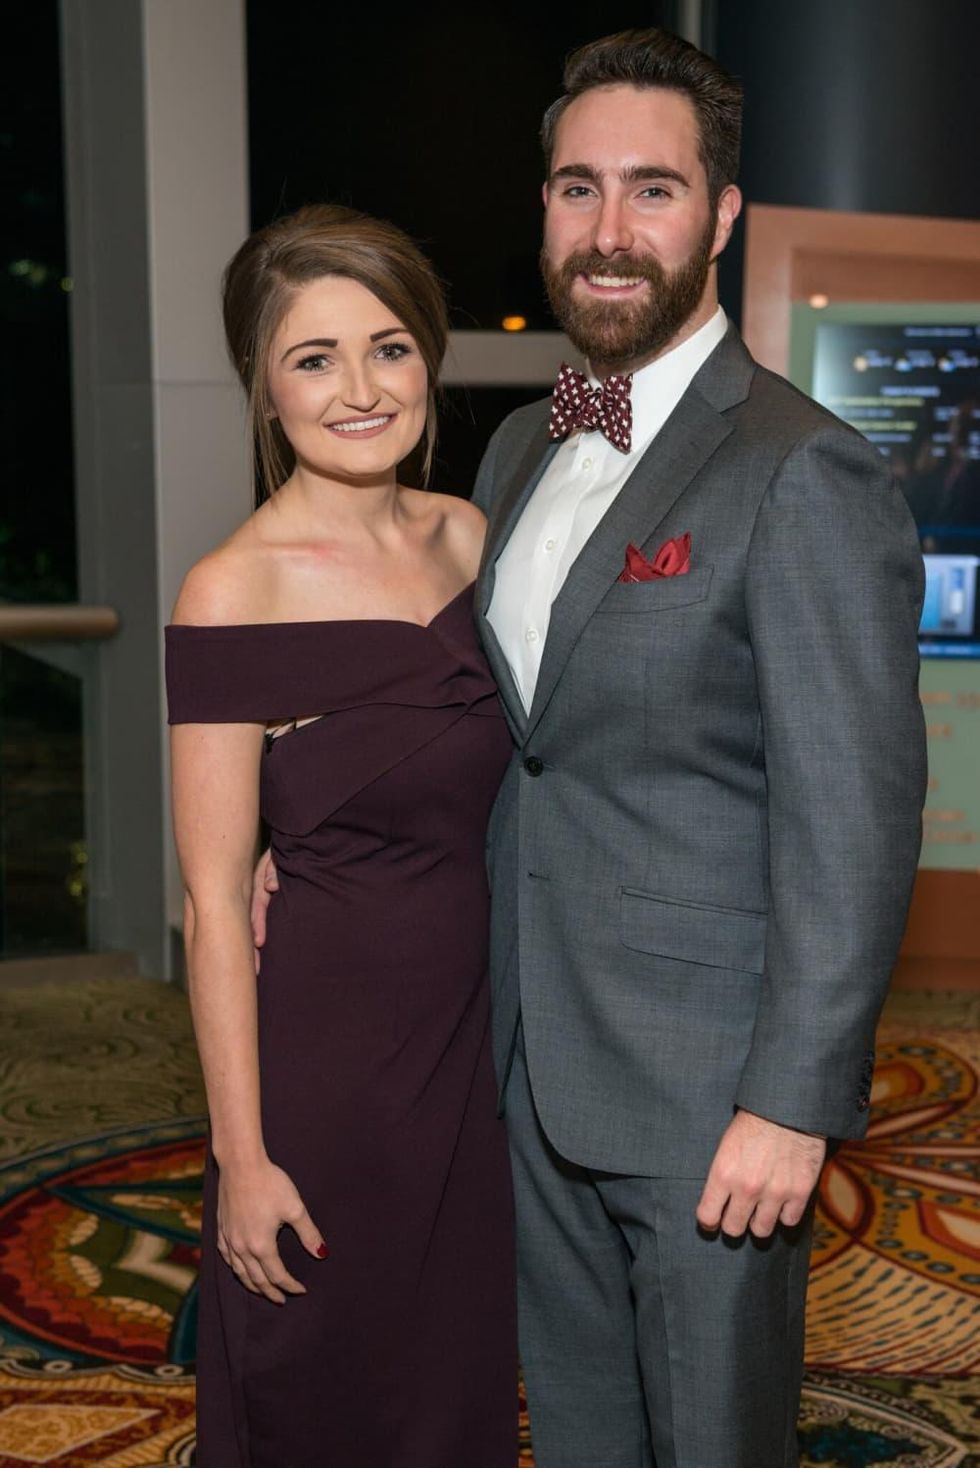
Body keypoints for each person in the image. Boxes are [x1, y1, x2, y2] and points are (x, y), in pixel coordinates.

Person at [253, 30, 926, 1468]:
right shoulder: (516, 453)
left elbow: (855, 814)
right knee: (579, 1435)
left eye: (652, 190)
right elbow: (503, 732)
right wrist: (302, 835)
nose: (609, 230)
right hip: (518, 1058)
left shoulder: (801, 469)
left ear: (721, 217)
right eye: (578, 188)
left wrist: (790, 1102)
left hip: (706, 1098)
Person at [166, 204, 516, 1468]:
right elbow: (212, 902)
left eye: (388, 348)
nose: (360, 390)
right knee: (318, 1389)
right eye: (313, 359)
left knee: (452, 1391)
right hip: (328, 1075)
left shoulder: (474, 537)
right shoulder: (230, 590)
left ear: (429, 357)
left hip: (478, 1056)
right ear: (262, 384)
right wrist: (242, 1157)